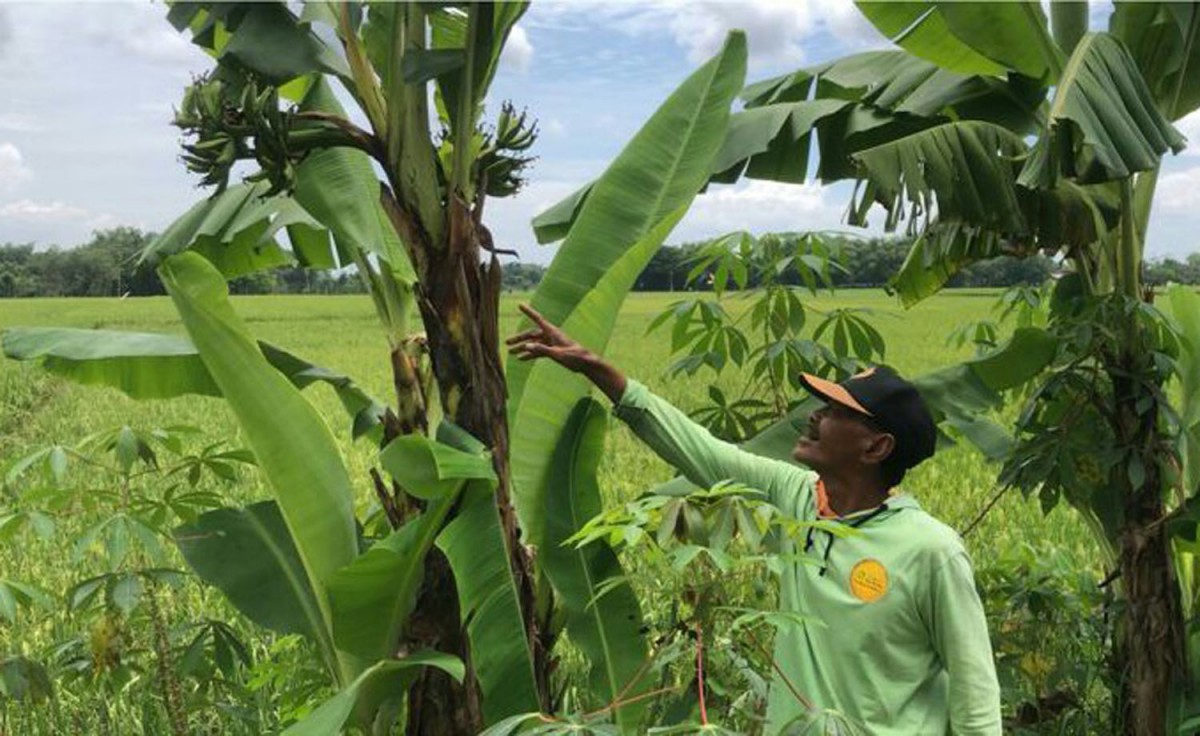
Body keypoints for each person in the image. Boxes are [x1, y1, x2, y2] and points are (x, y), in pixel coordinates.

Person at [507, 303, 1002, 735]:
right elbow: (700, 451)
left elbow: (975, 693)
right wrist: (598, 370)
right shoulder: (796, 499)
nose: (815, 416)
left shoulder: (931, 550)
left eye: (836, 411)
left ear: (876, 446)